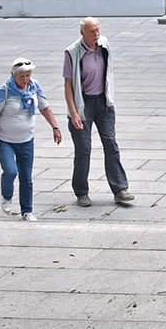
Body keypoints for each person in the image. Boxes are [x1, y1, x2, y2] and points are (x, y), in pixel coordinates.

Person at [63, 17, 133, 207]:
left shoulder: (104, 44)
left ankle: (119, 188)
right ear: (82, 33)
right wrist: (74, 112)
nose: (96, 35)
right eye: (92, 32)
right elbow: (68, 85)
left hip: (104, 102)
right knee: (83, 150)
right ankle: (81, 192)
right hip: (83, 104)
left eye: (97, 30)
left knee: (110, 143)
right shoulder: (72, 52)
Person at [0, 58, 61, 221]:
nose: (25, 79)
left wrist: (55, 127)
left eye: (28, 75)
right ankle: (6, 196)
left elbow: (44, 107)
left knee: (26, 177)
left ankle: (27, 210)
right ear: (13, 75)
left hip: (26, 140)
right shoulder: (4, 90)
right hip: (5, 139)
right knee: (11, 171)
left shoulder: (34, 86)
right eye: (22, 76)